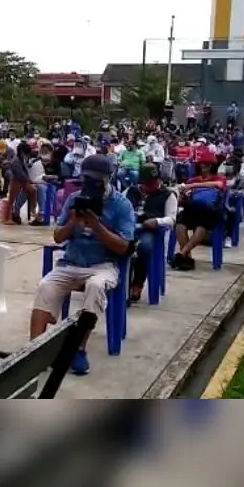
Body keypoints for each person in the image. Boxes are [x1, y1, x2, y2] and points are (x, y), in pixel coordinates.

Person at [30, 155, 135, 376]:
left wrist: (97, 226)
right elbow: (58, 237)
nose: (91, 185)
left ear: (108, 179)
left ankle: (78, 348)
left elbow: (124, 247)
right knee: (45, 286)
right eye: (87, 180)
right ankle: (33, 351)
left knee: (95, 287)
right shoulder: (74, 199)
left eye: (96, 181)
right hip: (71, 262)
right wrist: (73, 222)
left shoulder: (121, 205)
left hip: (103, 265)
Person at [124, 164, 178, 303]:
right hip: (128, 228)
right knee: (115, 245)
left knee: (144, 248)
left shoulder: (168, 195)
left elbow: (171, 219)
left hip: (148, 229)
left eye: (153, 182)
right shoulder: (131, 191)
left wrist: (157, 221)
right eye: (146, 183)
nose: (150, 186)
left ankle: (137, 284)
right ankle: (121, 284)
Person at [172, 150, 227, 271]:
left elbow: (219, 185)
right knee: (180, 225)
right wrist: (184, 194)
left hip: (210, 211)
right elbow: (182, 199)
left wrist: (193, 186)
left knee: (201, 225)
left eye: (208, 164)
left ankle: (182, 254)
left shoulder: (219, 178)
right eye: (202, 164)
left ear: (212, 166)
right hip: (192, 209)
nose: (204, 166)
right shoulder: (192, 179)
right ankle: (187, 258)